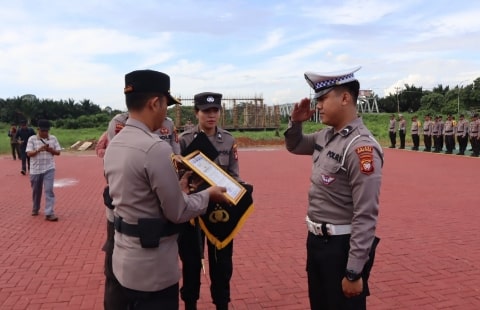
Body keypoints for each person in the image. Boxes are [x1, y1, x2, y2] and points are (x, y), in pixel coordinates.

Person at [103, 69, 228, 309]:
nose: (165, 113)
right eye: (165, 106)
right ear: (154, 103)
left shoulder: (116, 143)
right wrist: (207, 196)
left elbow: (136, 192)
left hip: (122, 261)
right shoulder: (155, 148)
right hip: (153, 271)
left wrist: (178, 187)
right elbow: (177, 212)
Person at [285, 67, 383, 310]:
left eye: (323, 99)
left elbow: (366, 213)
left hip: (341, 248)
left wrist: (353, 271)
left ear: (345, 98)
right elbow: (295, 144)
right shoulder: (326, 137)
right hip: (316, 243)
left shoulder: (360, 148)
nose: (318, 106)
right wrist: (295, 122)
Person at [178, 92, 243, 310]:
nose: (211, 115)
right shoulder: (185, 140)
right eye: (206, 111)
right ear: (196, 113)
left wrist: (236, 193)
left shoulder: (229, 139)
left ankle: (222, 303)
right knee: (191, 261)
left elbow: (234, 174)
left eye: (215, 110)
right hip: (194, 210)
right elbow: (179, 176)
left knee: (222, 263)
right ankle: (190, 303)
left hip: (219, 210)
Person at [25, 119, 61, 221]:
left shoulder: (53, 138)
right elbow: (29, 153)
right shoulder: (32, 139)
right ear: (38, 129)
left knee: (49, 190)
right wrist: (38, 150)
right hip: (35, 169)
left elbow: (58, 152)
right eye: (43, 131)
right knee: (36, 190)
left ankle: (49, 213)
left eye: (47, 131)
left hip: (49, 168)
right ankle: (35, 207)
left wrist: (50, 149)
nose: (45, 133)